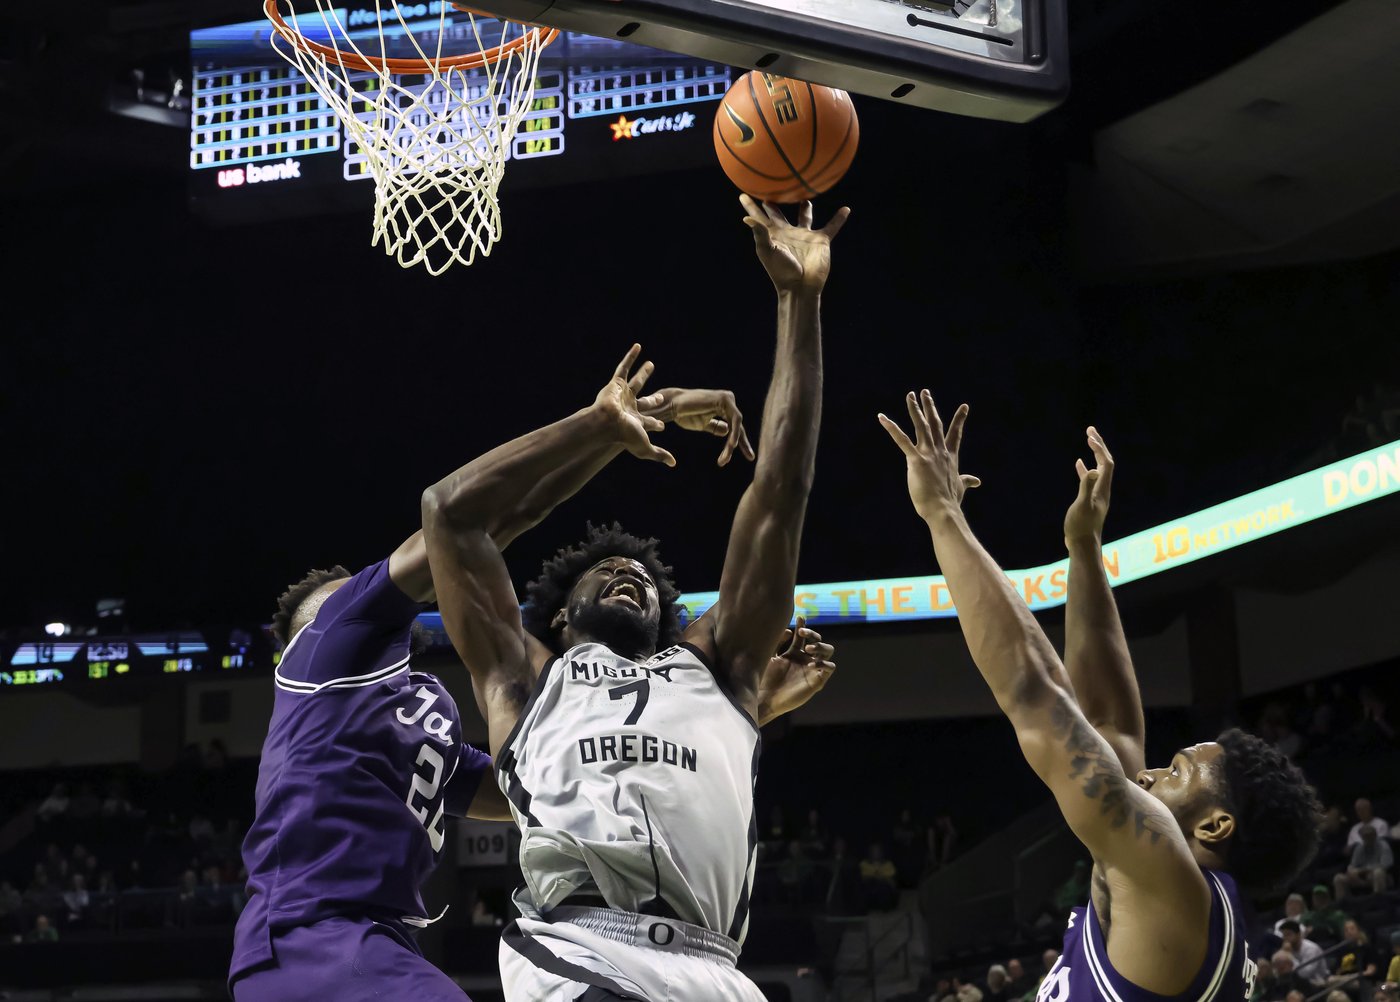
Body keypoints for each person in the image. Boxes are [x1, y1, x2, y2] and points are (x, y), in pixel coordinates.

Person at [229, 370, 834, 1002]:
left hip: (378, 940)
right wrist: (603, 426)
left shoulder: (417, 711)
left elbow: (538, 776)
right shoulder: (328, 643)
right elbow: (457, 530)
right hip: (310, 931)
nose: (363, 597)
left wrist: (732, 716)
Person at [424, 196, 848, 1002]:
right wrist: (602, 426)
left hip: (716, 971)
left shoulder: (720, 669)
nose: (631, 577)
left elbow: (781, 489)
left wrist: (800, 301)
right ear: (558, 613)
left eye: (647, 579)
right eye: (608, 571)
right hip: (582, 952)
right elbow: (449, 514)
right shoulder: (525, 678)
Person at [878, 408, 1322, 1002]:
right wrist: (1083, 546)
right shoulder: (1179, 898)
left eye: (1178, 771)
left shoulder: (1169, 878)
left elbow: (1039, 699)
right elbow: (1108, 727)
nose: (1152, 770)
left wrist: (942, 515)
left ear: (1215, 824)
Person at [1334, 824, 1394, 899]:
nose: (1367, 838)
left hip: (1380, 876)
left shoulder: (1383, 845)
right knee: (1338, 878)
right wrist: (1352, 872)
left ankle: (1379, 901)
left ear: (1375, 835)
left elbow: (1385, 865)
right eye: (1364, 836)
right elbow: (1353, 865)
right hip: (1361, 878)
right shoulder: (1359, 847)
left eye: (1369, 835)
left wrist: (1362, 871)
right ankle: (1343, 906)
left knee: (1378, 872)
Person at [1329, 919, 1381, 994]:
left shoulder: (1367, 948)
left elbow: (1370, 971)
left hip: (1361, 981)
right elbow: (1336, 971)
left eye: (1352, 929)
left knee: (1330, 982)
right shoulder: (1341, 950)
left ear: (1358, 931)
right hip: (1342, 980)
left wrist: (1351, 977)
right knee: (1332, 989)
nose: (1349, 932)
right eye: (1346, 930)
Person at [1279, 919, 1329, 984]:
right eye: (1284, 935)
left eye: (1288, 934)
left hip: (1320, 981)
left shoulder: (1311, 948)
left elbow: (1305, 974)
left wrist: (1290, 956)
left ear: (1298, 934)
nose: (1285, 938)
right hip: (1299, 983)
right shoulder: (1288, 949)